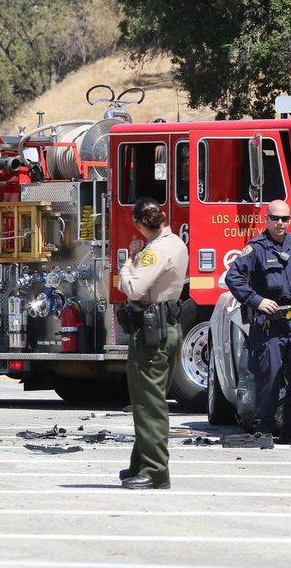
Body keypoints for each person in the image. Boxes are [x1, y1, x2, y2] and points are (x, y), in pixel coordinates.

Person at [225, 200, 291, 443]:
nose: (280, 223)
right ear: (266, 219)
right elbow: (233, 277)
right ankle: (264, 428)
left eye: (285, 219)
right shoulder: (256, 248)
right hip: (268, 326)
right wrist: (256, 300)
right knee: (269, 377)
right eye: (275, 218)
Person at [117, 197, 188, 489]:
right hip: (166, 325)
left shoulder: (155, 251)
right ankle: (141, 462)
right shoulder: (175, 244)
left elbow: (134, 288)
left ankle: (156, 470)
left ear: (138, 223)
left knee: (149, 404)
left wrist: (126, 264)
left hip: (151, 331)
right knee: (148, 401)